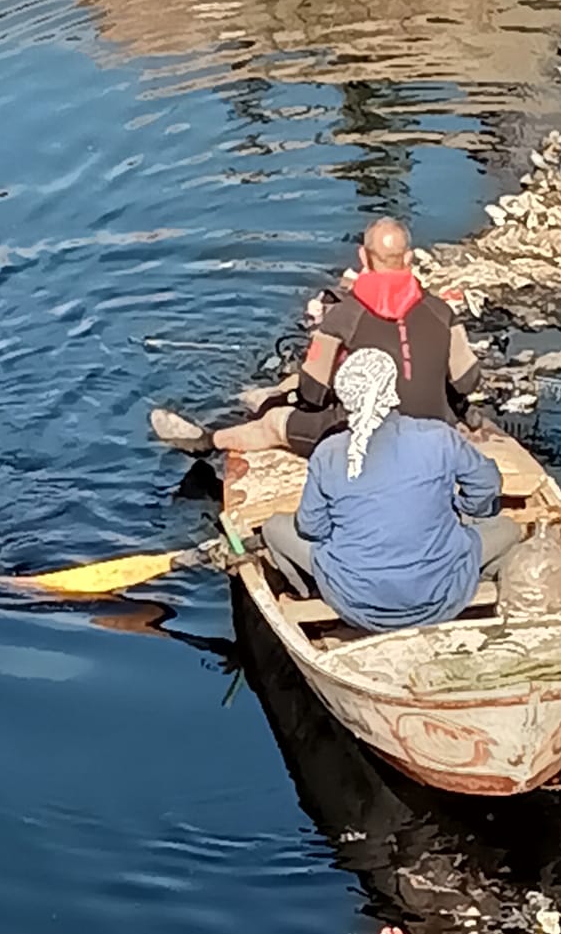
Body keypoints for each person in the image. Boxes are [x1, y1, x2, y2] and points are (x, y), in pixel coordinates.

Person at [149, 217, 481, 458]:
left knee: (276, 423)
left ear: (362, 259)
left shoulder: (342, 318)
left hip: (364, 436)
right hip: (436, 427)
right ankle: (252, 400)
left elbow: (312, 392)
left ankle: (207, 442)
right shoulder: (442, 313)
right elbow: (467, 381)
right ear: (409, 258)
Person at [261, 348, 521, 632]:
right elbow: (487, 484)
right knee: (510, 529)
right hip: (443, 598)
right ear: (392, 390)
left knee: (274, 527)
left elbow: (312, 528)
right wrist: (468, 512)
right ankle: (482, 587)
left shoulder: (328, 453)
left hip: (356, 602)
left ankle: (308, 594)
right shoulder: (437, 437)